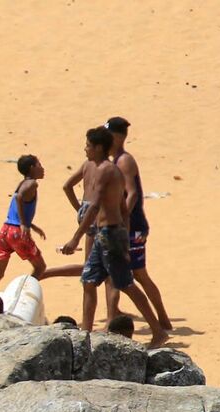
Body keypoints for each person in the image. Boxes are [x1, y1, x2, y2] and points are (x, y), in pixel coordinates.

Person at [58, 127, 168, 348]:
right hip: (102, 234)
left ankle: (158, 331)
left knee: (126, 284)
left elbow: (99, 205)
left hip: (110, 233)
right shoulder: (92, 166)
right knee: (89, 281)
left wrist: (76, 238)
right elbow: (119, 207)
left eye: (88, 145)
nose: (85, 148)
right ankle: (85, 334)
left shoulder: (108, 171)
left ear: (99, 147)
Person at [102, 117, 172, 330]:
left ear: (116, 137)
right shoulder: (116, 160)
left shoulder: (124, 161)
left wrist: (123, 221)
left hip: (133, 226)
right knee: (117, 274)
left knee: (137, 274)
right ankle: (114, 317)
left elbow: (132, 194)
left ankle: (161, 320)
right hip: (127, 225)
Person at [0, 155, 49, 282]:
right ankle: (23, 293)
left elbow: (18, 208)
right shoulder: (32, 184)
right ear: (32, 168)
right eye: (39, 165)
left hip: (6, 230)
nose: (42, 168)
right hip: (17, 233)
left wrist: (32, 226)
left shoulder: (22, 183)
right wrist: (24, 224)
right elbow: (19, 198)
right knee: (40, 268)